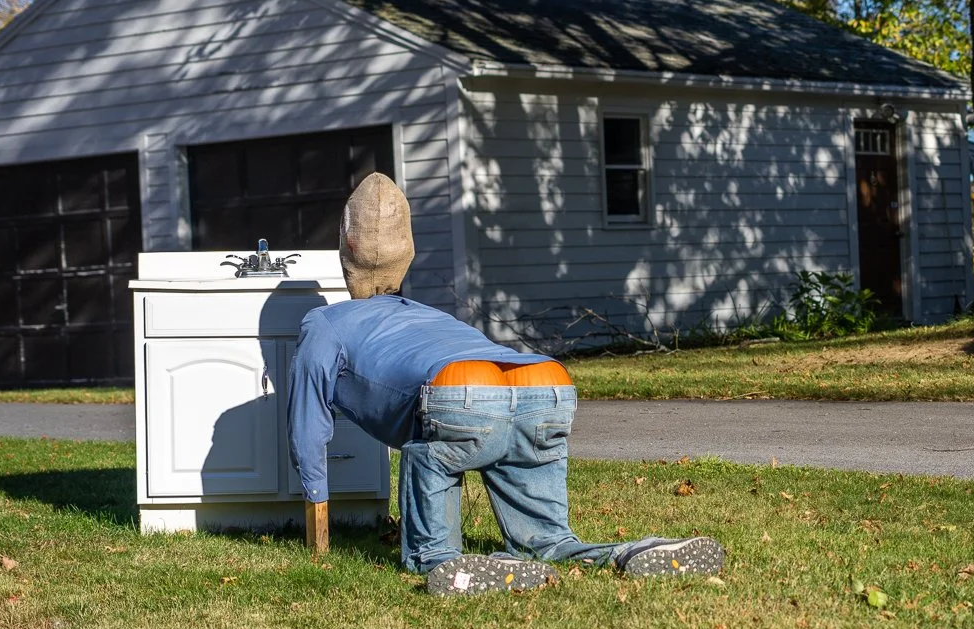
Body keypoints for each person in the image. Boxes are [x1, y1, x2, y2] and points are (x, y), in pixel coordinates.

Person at [285, 173, 724, 596]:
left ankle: (444, 563)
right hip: (544, 388)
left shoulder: (326, 322)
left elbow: (308, 428)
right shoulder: (434, 316)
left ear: (347, 248)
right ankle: (631, 551)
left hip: (464, 397)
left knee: (429, 460)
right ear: (409, 253)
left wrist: (317, 524)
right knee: (550, 543)